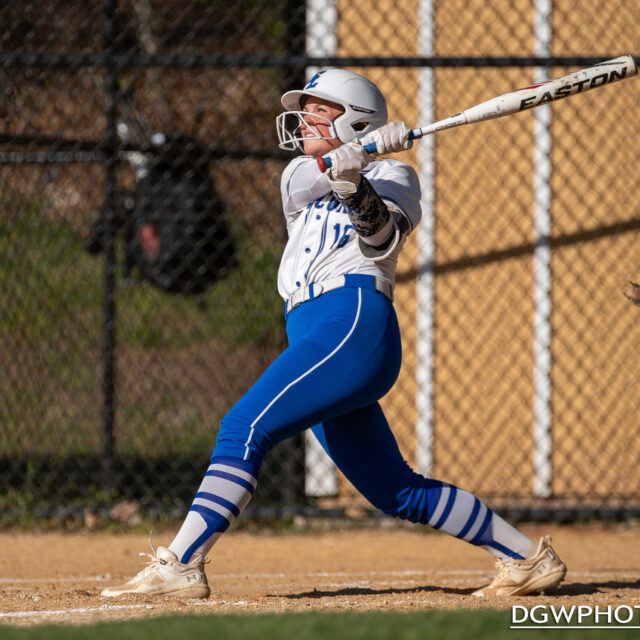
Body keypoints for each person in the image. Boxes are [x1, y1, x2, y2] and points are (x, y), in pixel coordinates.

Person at [101, 69, 566, 600]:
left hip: (352, 323)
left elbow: (379, 238)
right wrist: (353, 159)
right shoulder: (298, 177)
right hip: (310, 331)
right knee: (394, 490)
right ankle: (527, 558)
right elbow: (310, 178)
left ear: (357, 119)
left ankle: (181, 562)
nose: (304, 120)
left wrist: (358, 181)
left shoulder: (399, 178)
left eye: (320, 111)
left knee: (244, 427)